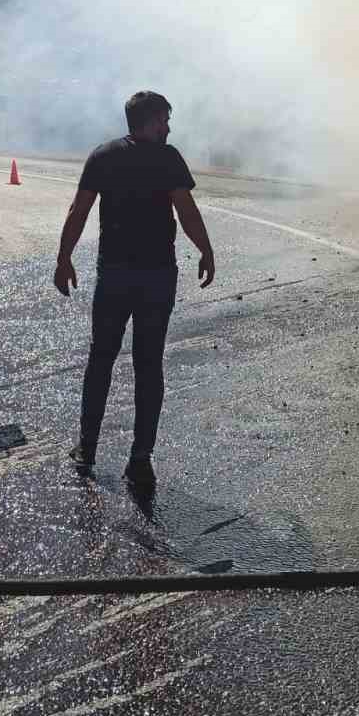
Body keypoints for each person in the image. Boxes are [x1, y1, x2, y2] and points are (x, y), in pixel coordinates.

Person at [54, 91, 216, 489]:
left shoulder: (103, 156)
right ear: (149, 120)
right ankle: (140, 460)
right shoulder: (168, 158)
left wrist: (64, 258)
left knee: (101, 360)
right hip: (157, 276)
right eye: (164, 120)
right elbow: (186, 210)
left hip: (114, 276)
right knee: (148, 364)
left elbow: (79, 210)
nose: (169, 127)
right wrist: (206, 250)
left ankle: (87, 448)